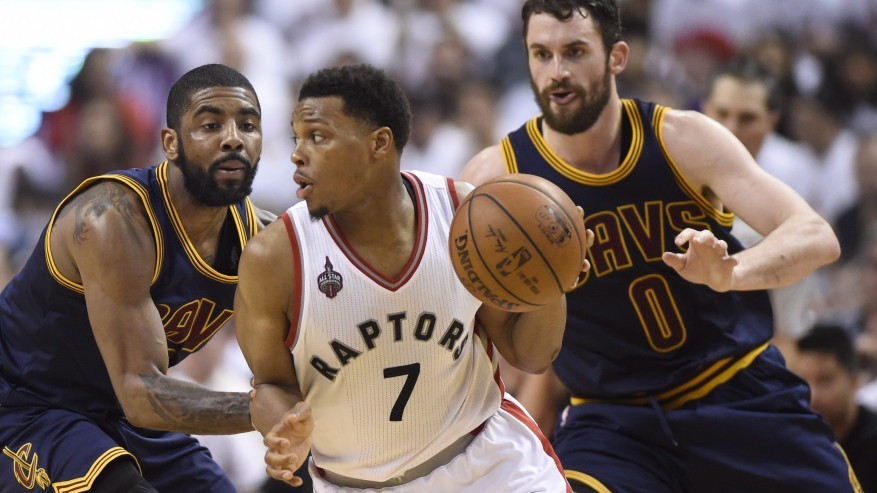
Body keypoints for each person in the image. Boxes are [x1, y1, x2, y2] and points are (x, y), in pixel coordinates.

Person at [459, 1, 859, 492]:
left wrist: (729, 271)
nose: (557, 72)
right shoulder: (494, 183)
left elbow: (817, 236)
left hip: (736, 392)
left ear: (617, 57)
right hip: (614, 425)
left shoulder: (683, 138)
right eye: (541, 54)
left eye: (575, 51)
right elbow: (496, 339)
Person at [234, 63, 582, 493]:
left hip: (489, 466)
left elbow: (531, 356)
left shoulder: (464, 218)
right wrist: (284, 429)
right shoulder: (274, 258)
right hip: (356, 485)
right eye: (297, 139)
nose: (297, 154)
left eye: (318, 137)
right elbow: (271, 384)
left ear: (378, 143)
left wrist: (553, 280)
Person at [0, 63, 266, 492]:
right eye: (211, 124)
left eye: (248, 124)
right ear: (171, 143)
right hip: (26, 401)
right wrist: (264, 410)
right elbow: (140, 390)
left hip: (119, 412)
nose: (233, 137)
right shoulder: (110, 219)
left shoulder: (260, 242)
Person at [701, 57, 825, 357]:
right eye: (722, 113)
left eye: (747, 118)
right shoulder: (669, 172)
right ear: (704, 111)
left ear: (771, 121)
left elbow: (817, 249)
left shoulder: (795, 174)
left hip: (767, 343)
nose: (731, 128)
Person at [791, 325, 877, 493]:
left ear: (854, 381)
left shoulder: (872, 445)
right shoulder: (800, 439)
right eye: (803, 381)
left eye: (825, 380)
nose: (812, 395)